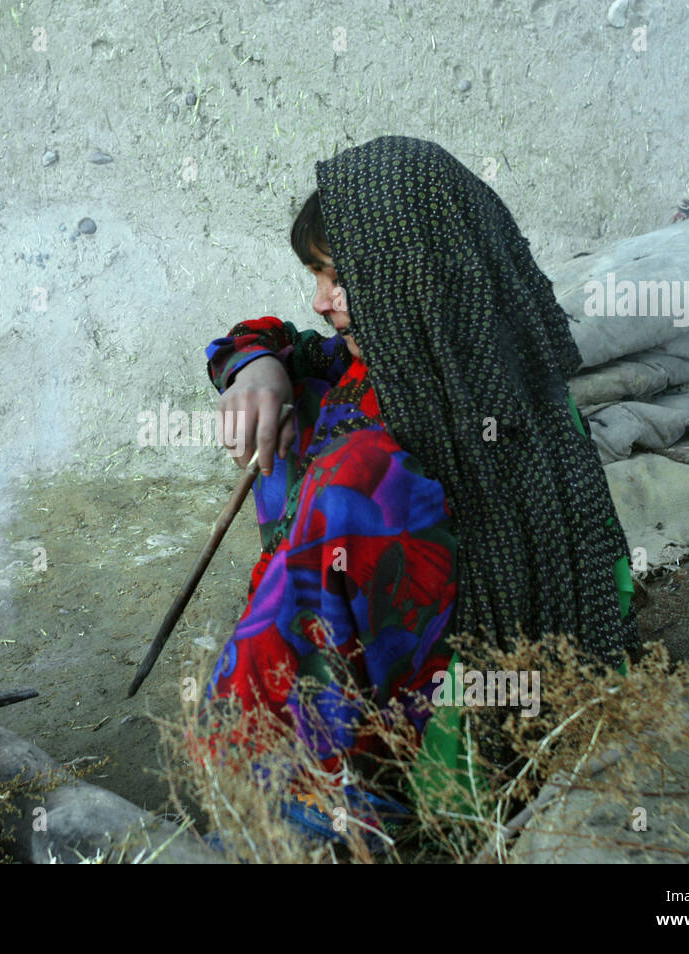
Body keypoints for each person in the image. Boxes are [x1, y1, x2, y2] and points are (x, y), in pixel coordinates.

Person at [195, 136, 639, 839]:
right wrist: (257, 370)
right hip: (379, 665)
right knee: (291, 402)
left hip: (444, 728)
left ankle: (314, 806)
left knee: (350, 486)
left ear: (410, 274)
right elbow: (266, 336)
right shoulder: (389, 361)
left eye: (336, 278)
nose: (320, 301)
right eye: (314, 275)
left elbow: (593, 605)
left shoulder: (504, 422)